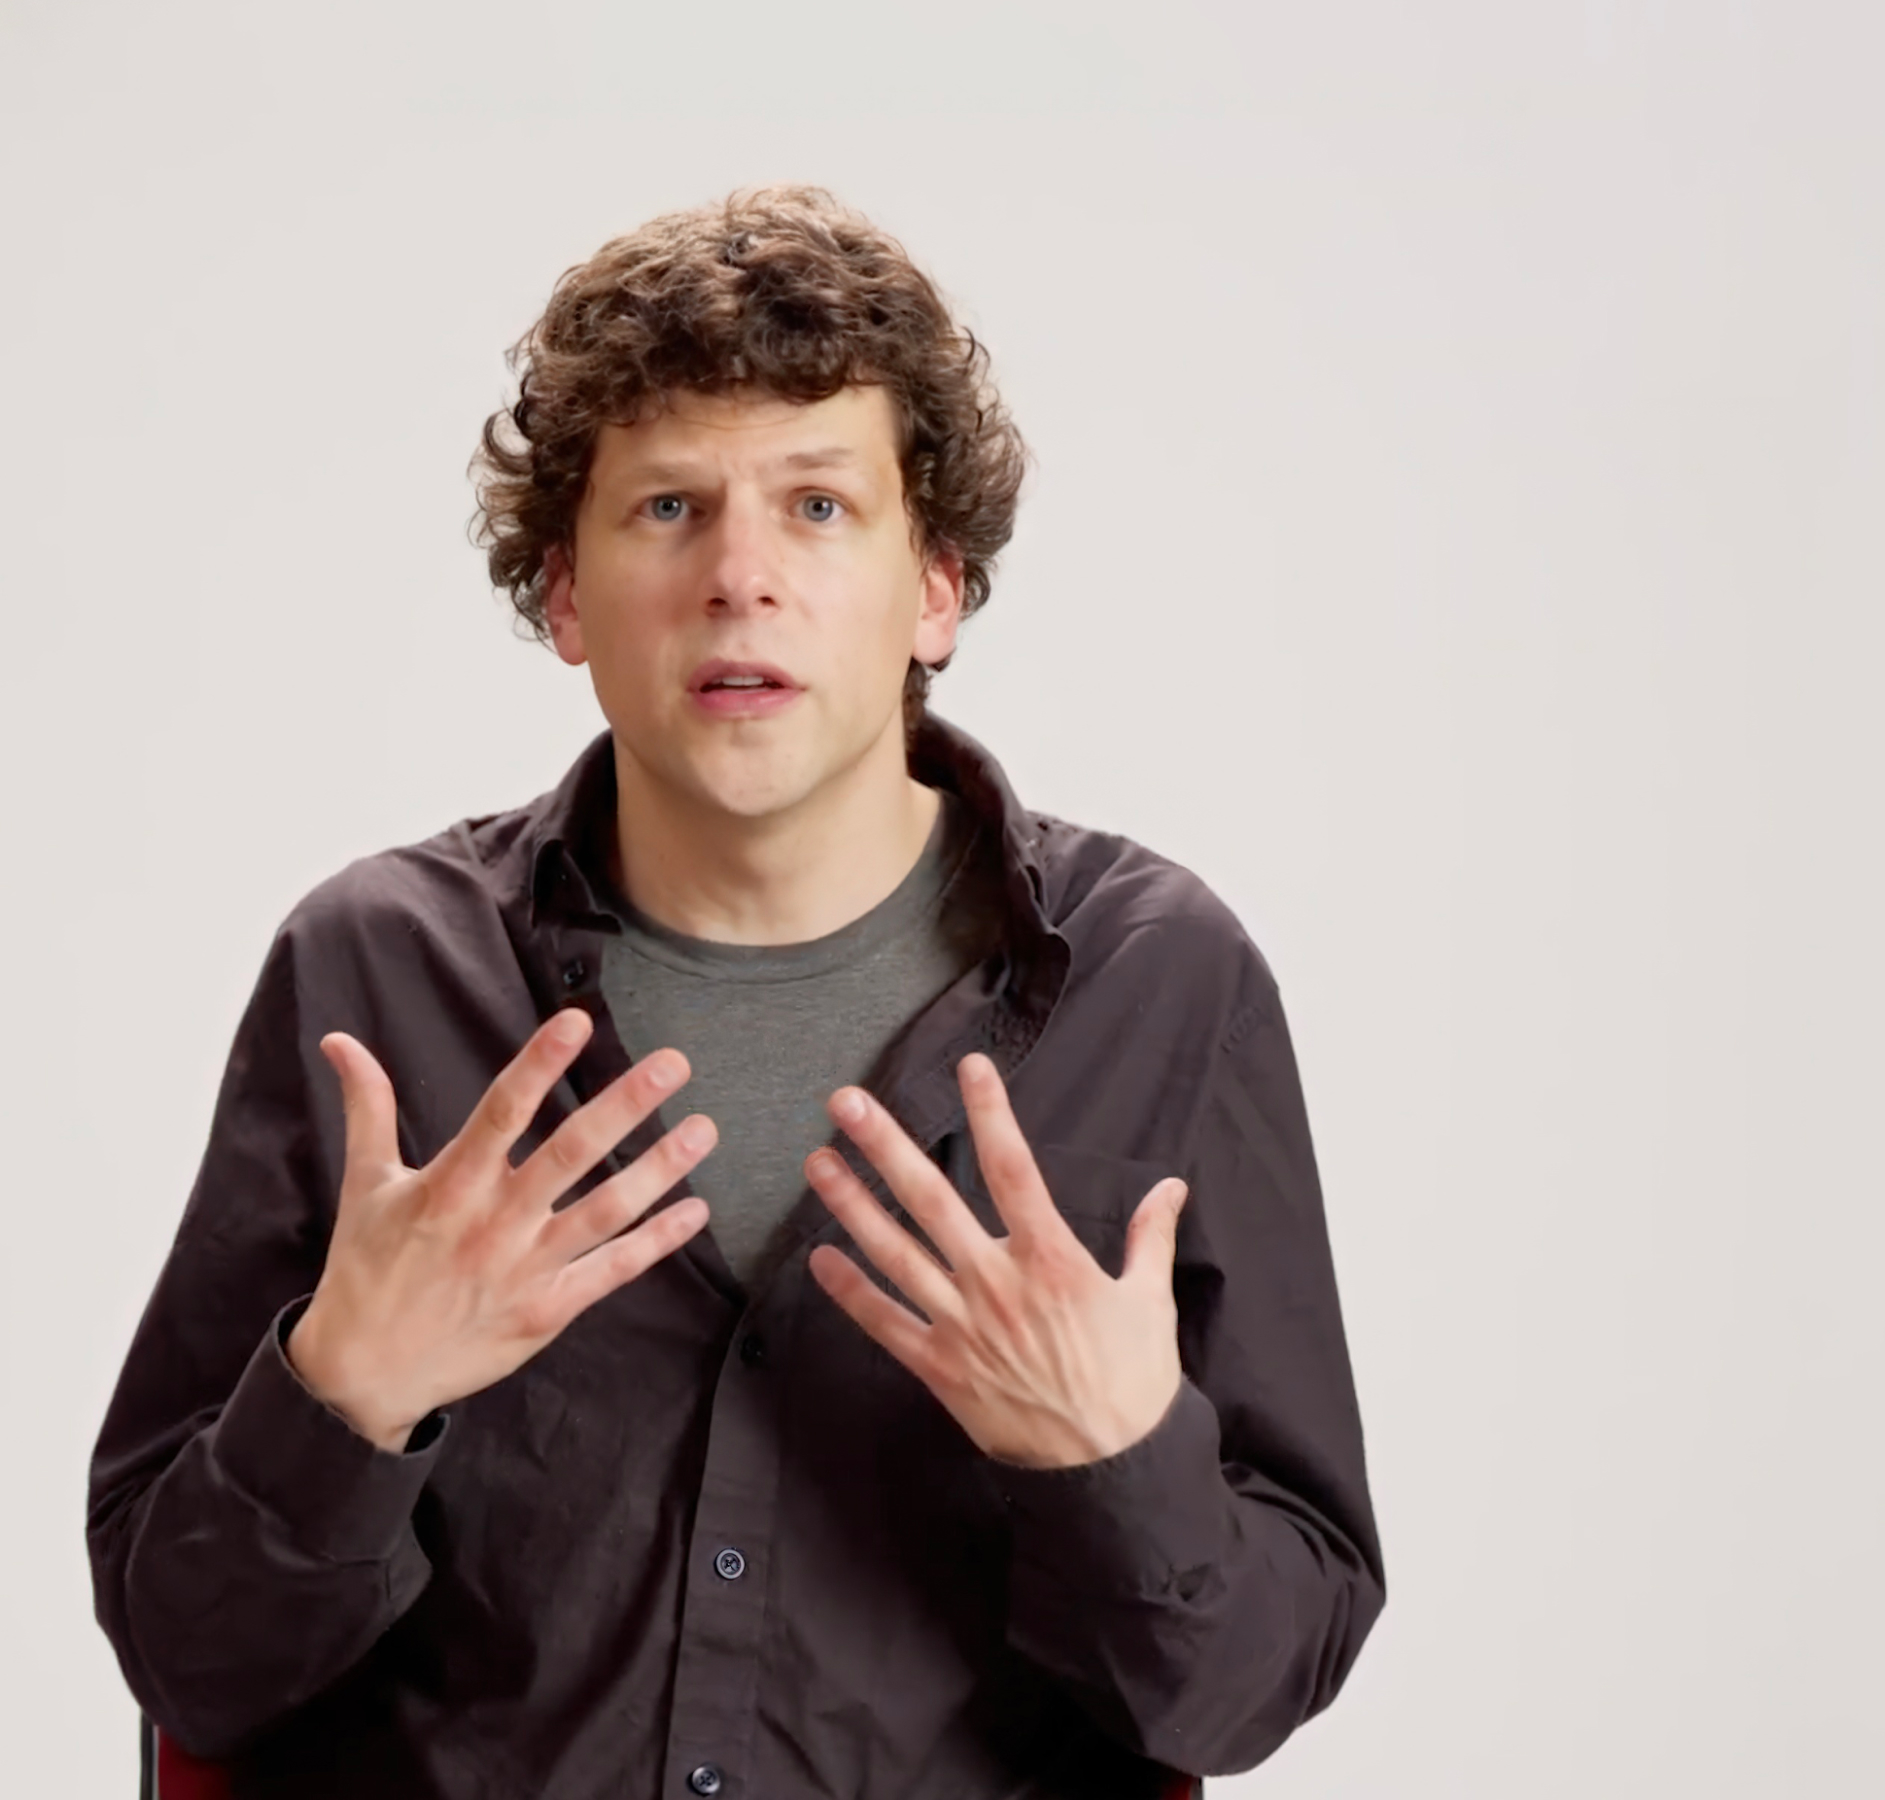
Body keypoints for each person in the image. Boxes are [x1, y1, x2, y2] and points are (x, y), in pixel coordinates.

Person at [85, 184, 1383, 1800]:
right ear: (564, 596)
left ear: (938, 590)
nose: (739, 578)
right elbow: (188, 1656)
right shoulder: (372, 975)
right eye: (667, 510)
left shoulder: (1157, 983)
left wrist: (1110, 1460)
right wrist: (344, 1395)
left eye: (820, 507)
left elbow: (1241, 1695)